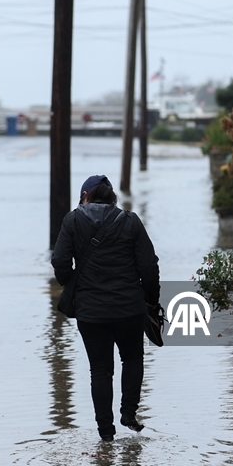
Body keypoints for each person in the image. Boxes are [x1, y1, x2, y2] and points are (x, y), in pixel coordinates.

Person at [52, 174, 160, 442]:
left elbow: (60, 262)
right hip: (129, 308)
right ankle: (129, 413)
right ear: (112, 198)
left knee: (100, 369)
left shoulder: (72, 220)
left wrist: (72, 283)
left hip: (91, 310)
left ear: (85, 196)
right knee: (132, 358)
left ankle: (106, 432)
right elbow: (149, 266)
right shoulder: (130, 221)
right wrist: (151, 300)